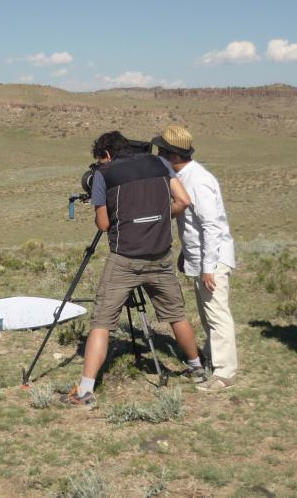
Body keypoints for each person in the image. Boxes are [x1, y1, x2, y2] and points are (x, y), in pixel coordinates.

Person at [62, 131, 205, 409]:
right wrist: (160, 216)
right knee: (176, 314)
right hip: (160, 254)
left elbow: (103, 225)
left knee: (101, 322)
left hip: (124, 258)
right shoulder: (160, 164)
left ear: (106, 154)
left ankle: (86, 390)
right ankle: (196, 367)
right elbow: (183, 201)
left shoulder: (104, 173)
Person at [154, 125, 239, 392]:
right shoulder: (184, 176)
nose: (158, 155)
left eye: (162, 151)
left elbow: (211, 227)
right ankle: (214, 359)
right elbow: (194, 227)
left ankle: (224, 373)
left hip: (211, 260)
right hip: (201, 258)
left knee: (217, 315)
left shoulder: (198, 179)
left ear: (174, 154)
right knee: (207, 314)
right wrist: (186, 253)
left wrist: (208, 267)